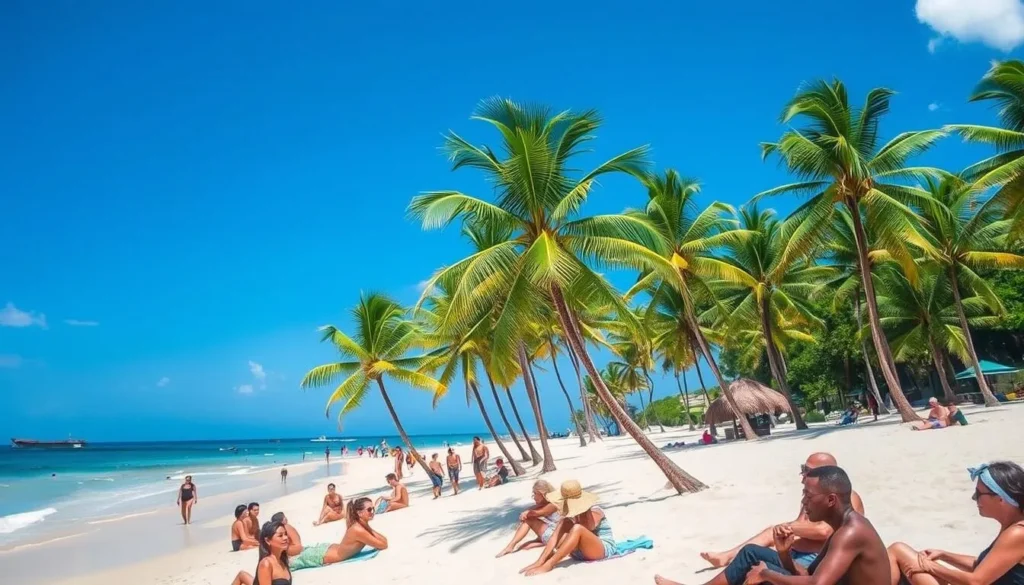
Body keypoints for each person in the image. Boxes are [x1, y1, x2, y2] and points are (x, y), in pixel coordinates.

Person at [657, 466, 889, 585]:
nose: (804, 501)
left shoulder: (851, 532)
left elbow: (817, 584)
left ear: (831, 500)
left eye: (808, 496)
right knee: (753, 556)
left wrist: (767, 573)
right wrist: (783, 553)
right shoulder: (840, 527)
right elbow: (807, 573)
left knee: (764, 578)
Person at [698, 453, 865, 570]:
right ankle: (726, 557)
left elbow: (824, 531)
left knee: (756, 560)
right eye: (804, 469)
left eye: (807, 470)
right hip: (797, 553)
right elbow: (801, 523)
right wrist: (786, 532)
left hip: (815, 559)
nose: (803, 475)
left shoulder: (846, 497)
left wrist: (786, 528)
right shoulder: (812, 496)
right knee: (761, 545)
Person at [887, 461, 1024, 585]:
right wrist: (944, 555)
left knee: (898, 550)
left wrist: (931, 567)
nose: (974, 498)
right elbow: (984, 566)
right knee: (899, 550)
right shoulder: (1013, 526)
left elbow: (976, 581)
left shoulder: (1017, 533)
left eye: (979, 493)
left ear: (1000, 499)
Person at [520, 480, 616, 576]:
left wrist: (584, 511)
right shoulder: (571, 515)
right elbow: (554, 538)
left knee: (577, 528)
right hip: (580, 553)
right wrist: (539, 561)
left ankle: (550, 564)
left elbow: (588, 527)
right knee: (563, 522)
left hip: (603, 549)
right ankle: (542, 561)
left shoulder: (595, 511)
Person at [288, 497, 389, 571]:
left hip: (327, 549)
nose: (372, 512)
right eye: (369, 509)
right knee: (287, 564)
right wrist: (368, 528)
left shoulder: (360, 526)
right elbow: (383, 544)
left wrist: (367, 526)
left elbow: (384, 541)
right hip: (321, 556)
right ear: (359, 513)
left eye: (373, 509)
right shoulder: (358, 530)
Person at [496, 480, 560, 558]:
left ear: (542, 494)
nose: (534, 496)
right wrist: (527, 512)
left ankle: (510, 546)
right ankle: (540, 540)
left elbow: (538, 512)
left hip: (556, 535)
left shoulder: (552, 504)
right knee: (530, 520)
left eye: (535, 493)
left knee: (529, 520)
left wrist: (527, 513)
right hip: (555, 532)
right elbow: (533, 509)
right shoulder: (546, 502)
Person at [230, 520, 293, 585]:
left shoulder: (282, 560)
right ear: (268, 540)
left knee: (243, 575)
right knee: (242, 575)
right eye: (280, 535)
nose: (285, 538)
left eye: (285, 534)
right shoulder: (266, 564)